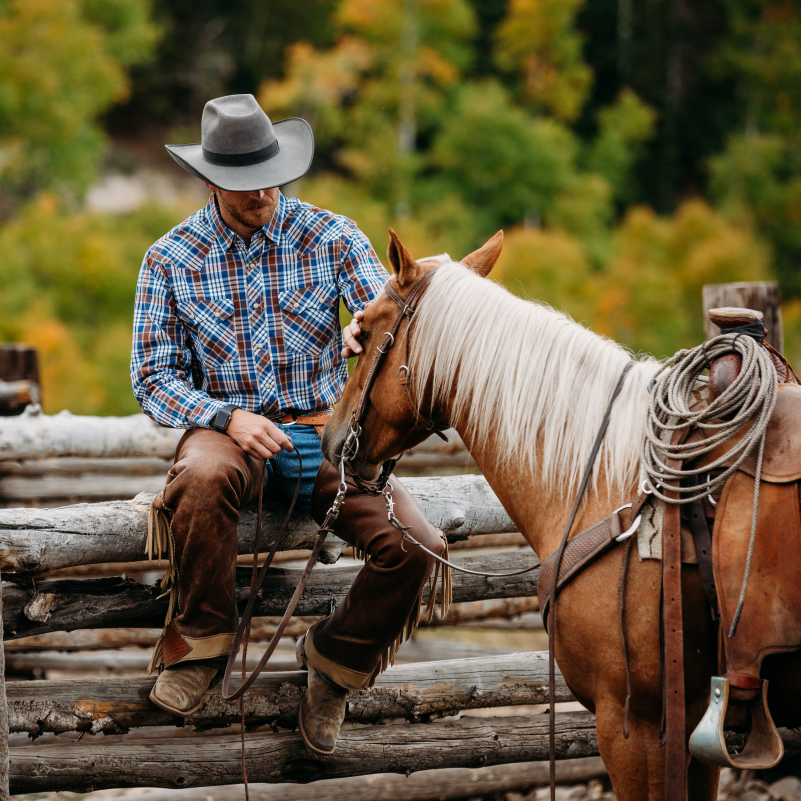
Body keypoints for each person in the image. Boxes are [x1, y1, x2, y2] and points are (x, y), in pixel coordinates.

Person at [130, 94, 445, 754]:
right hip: (228, 431)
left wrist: (367, 329)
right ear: (213, 181)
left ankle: (334, 665)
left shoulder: (330, 234)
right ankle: (199, 646)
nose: (265, 191)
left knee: (415, 543)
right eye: (246, 183)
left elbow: (376, 302)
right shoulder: (169, 259)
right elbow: (153, 378)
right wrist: (228, 417)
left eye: (272, 174)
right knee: (200, 473)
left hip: (326, 431)